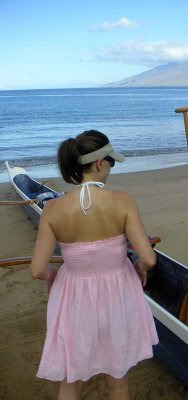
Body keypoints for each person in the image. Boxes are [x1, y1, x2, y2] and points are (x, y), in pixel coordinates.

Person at [30, 130, 158, 400]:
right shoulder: (121, 201)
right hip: (117, 295)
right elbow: (147, 258)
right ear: (100, 163)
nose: (110, 167)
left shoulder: (53, 209)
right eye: (110, 162)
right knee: (118, 379)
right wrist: (140, 269)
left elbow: (37, 269)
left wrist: (53, 277)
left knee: (72, 379)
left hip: (73, 297)